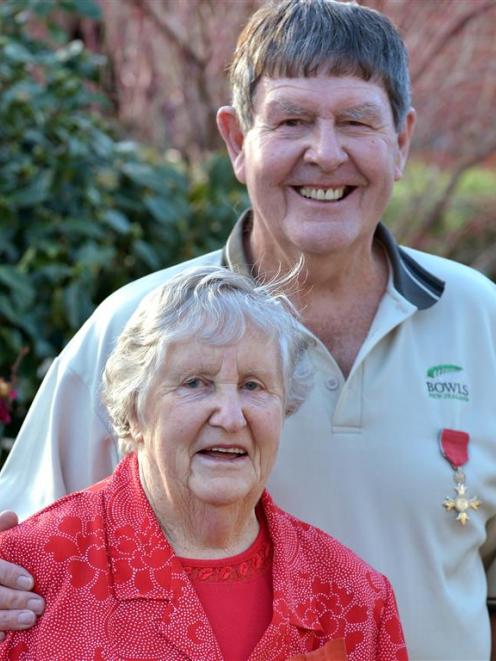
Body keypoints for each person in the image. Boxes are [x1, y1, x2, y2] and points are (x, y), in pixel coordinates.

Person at [0, 0, 494, 659]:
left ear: (401, 142)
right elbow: (22, 542)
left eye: (355, 121)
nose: (325, 152)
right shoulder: (139, 327)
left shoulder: (480, 318)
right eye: (292, 120)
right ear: (237, 141)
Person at [0, 267, 407, 659]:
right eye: (196, 383)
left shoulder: (354, 598)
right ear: (134, 411)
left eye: (253, 385)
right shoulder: (26, 578)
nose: (230, 417)